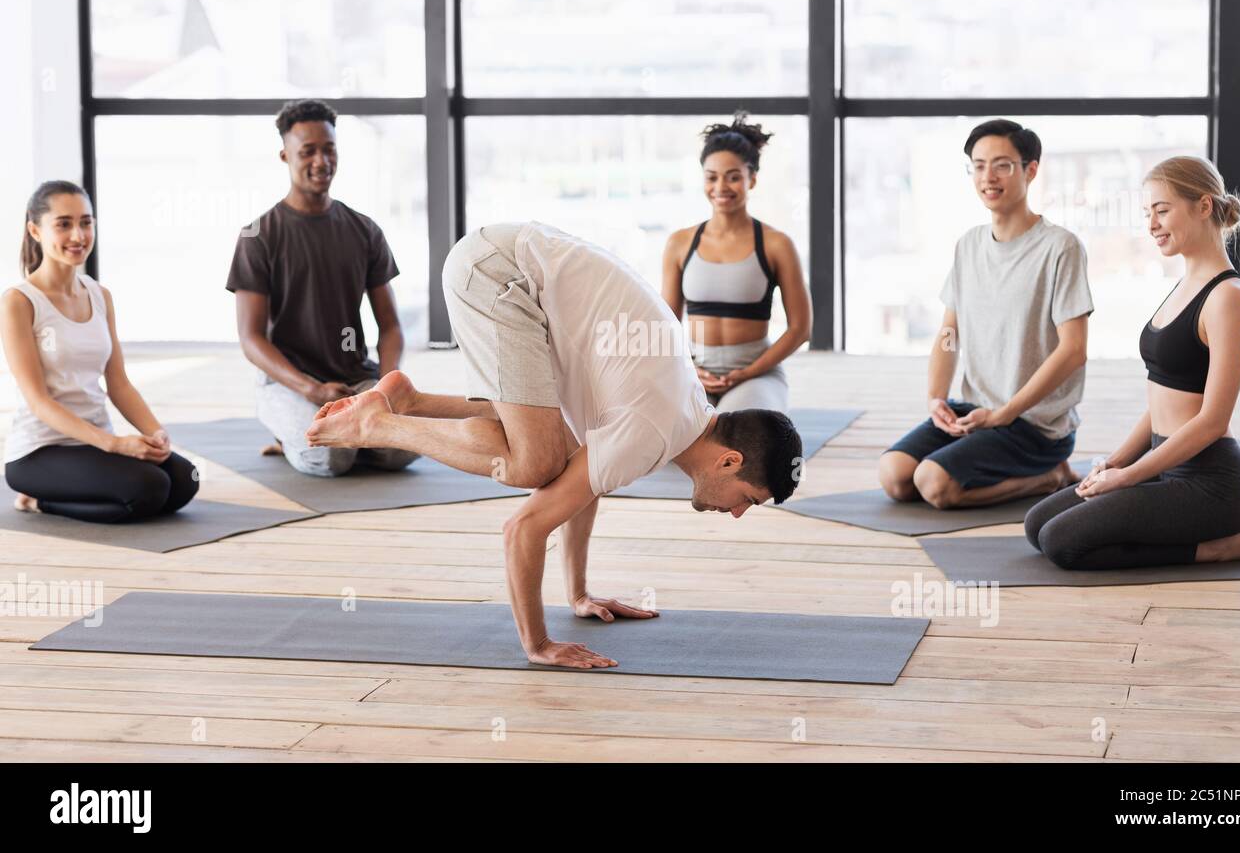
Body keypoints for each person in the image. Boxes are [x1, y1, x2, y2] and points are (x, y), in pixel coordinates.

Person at [305, 220, 803, 668]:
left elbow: (587, 481)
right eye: (749, 500)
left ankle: (409, 400)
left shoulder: (681, 409)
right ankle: (379, 425)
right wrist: (538, 644)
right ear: (730, 460)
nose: (737, 513)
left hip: (509, 265)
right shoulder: (654, 429)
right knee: (534, 464)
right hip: (500, 275)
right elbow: (523, 527)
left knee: (555, 450)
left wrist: (580, 594)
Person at [1025, 156, 1240, 569]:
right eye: (1148, 214)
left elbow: (1213, 420)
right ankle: (1185, 526)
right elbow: (1164, 401)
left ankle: (1213, 548)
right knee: (1037, 523)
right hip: (1162, 464)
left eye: (1162, 211)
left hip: (1211, 484)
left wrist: (1128, 478)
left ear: (1203, 206)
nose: (1151, 225)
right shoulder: (1185, 285)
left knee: (1061, 542)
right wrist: (1116, 461)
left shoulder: (1229, 298)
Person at [878, 119, 1092, 509]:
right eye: (978, 166)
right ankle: (986, 446)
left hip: (1034, 425)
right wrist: (936, 399)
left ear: (1030, 170)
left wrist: (1005, 413)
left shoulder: (1060, 247)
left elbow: (1074, 350)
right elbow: (949, 333)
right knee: (894, 475)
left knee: (934, 484)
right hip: (975, 411)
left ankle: (1051, 476)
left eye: (1002, 165)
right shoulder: (969, 245)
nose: (987, 177)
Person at [226, 99, 417, 477]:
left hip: (356, 377)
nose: (321, 161)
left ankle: (346, 432)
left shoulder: (364, 230)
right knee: (330, 459)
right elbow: (250, 339)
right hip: (290, 385)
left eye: (329, 149)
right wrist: (311, 390)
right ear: (285, 156)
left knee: (406, 451)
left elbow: (391, 325)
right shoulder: (258, 236)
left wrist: (386, 387)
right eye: (307, 151)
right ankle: (295, 432)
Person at [1, 181, 199, 522]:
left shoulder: (99, 295)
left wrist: (155, 434)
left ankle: (105, 476)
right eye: (64, 224)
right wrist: (115, 444)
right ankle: (37, 500)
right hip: (40, 450)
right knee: (148, 489)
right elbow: (39, 402)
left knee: (185, 480)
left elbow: (118, 383)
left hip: (93, 441)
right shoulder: (19, 301)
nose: (78, 235)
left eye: (86, 222)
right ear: (35, 230)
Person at [661, 114, 811, 412]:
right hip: (693, 373)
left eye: (733, 176)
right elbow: (666, 323)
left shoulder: (776, 244)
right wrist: (689, 370)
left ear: (751, 179)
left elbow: (800, 328)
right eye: (711, 176)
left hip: (757, 374)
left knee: (739, 435)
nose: (721, 187)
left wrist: (748, 372)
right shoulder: (679, 243)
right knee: (669, 437)